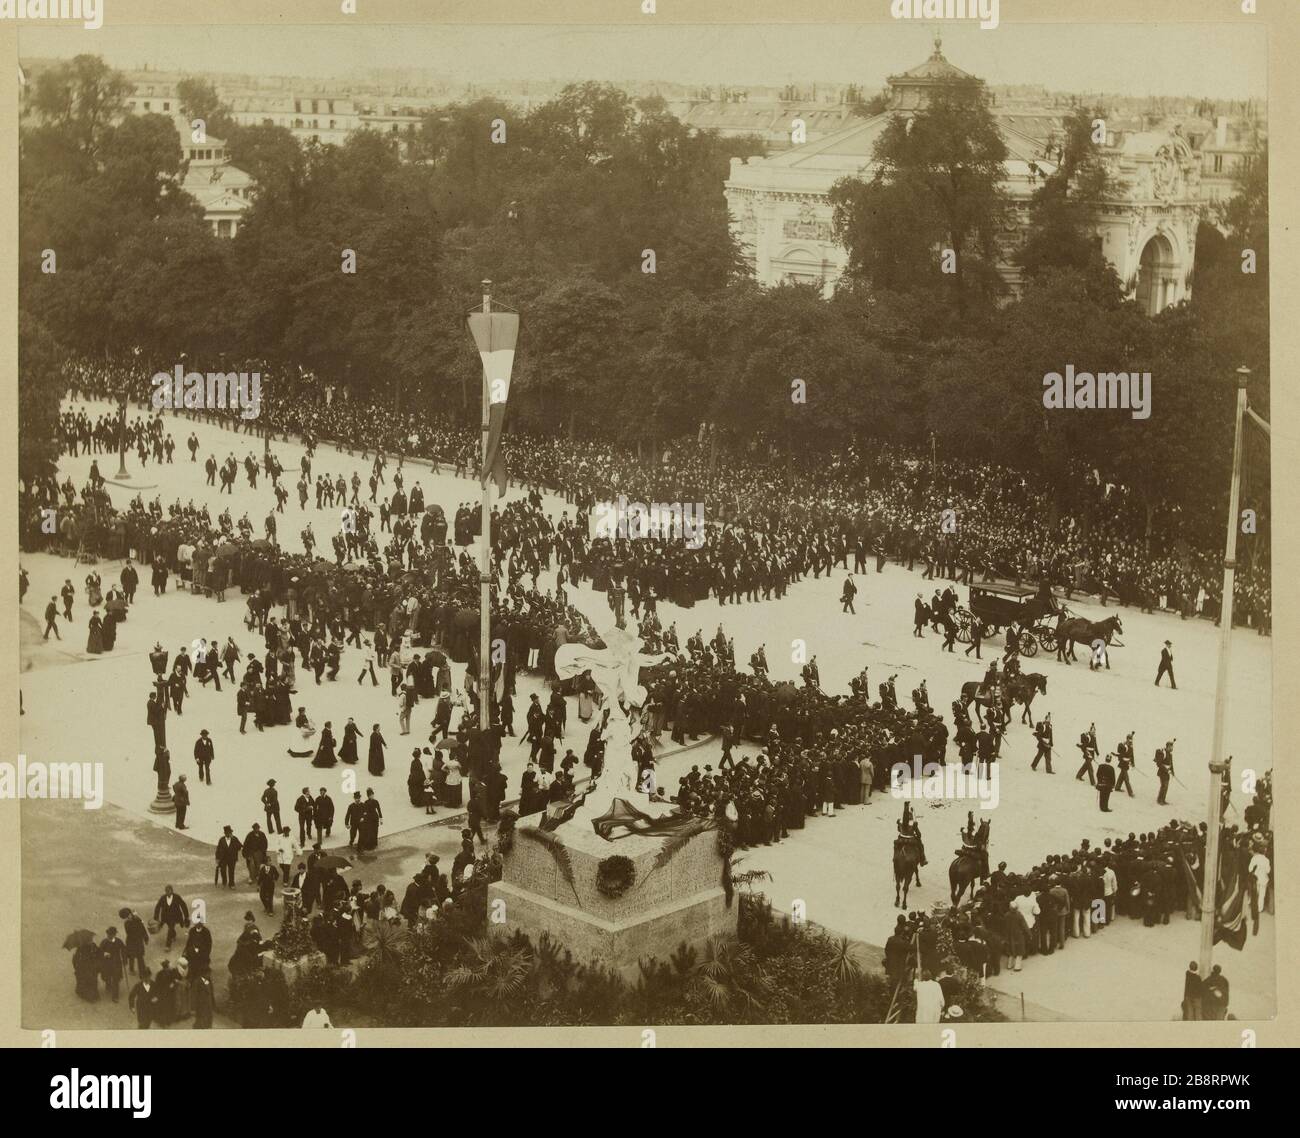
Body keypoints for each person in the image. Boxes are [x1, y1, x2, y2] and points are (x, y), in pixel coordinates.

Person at [153, 884, 189, 949]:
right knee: (170, 927)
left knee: (170, 928)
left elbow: (183, 906)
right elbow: (158, 906)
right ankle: (173, 935)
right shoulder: (163, 898)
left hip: (175, 916)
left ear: (172, 891)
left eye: (169, 891)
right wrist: (156, 916)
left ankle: (168, 945)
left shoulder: (177, 897)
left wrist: (186, 916)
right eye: (166, 891)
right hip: (166, 917)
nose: (168, 893)